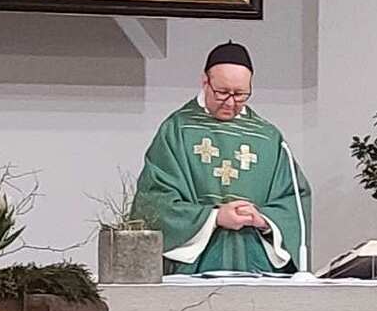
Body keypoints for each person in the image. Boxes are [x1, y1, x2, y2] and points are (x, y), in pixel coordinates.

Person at [132, 43, 311, 275]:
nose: (230, 102)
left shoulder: (268, 137)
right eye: (222, 92)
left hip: (256, 262)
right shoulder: (178, 130)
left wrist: (264, 220)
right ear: (205, 82)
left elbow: (294, 199)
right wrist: (214, 217)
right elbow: (154, 200)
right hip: (195, 264)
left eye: (240, 94)